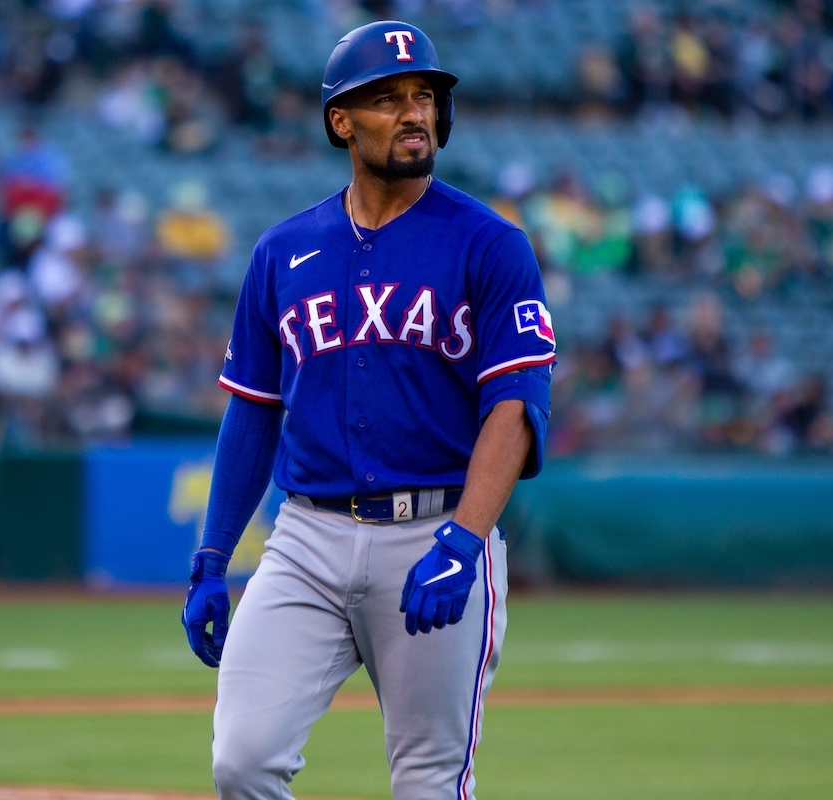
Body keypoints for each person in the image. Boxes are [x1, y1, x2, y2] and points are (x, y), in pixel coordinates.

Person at [181, 21, 554, 800]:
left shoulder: (490, 244)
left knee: (428, 782)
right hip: (306, 538)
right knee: (241, 761)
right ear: (341, 122)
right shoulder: (283, 251)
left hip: (436, 529)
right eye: (387, 98)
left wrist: (465, 538)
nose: (414, 111)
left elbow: (514, 409)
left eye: (424, 95)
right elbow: (253, 410)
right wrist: (214, 557)